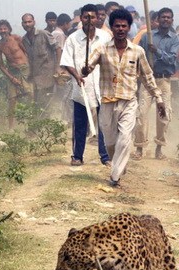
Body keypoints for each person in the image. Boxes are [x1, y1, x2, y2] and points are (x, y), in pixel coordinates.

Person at [85, 9, 165, 186]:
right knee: (111, 142)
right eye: (117, 26)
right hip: (107, 101)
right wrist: (85, 70)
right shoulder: (102, 49)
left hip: (128, 101)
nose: (120, 29)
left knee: (124, 139)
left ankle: (115, 177)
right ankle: (118, 164)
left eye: (124, 26)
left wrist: (158, 98)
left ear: (129, 28)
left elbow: (147, 76)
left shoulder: (137, 51)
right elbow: (89, 65)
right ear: (112, 28)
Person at [61, 4, 111, 167]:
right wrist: (77, 76)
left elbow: (112, 61)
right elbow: (67, 61)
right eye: (86, 17)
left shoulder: (105, 37)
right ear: (81, 19)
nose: (89, 20)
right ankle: (77, 156)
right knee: (80, 124)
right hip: (81, 88)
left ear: (98, 18)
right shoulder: (72, 39)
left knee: (104, 124)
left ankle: (105, 157)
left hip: (102, 87)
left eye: (92, 17)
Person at [133, 7, 179, 160]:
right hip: (148, 80)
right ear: (157, 19)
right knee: (141, 114)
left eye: (168, 17)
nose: (166, 19)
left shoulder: (175, 39)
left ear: (172, 20)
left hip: (164, 80)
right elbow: (138, 56)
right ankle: (139, 148)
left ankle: (159, 148)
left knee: (164, 115)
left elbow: (172, 59)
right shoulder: (147, 37)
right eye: (163, 17)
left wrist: (157, 51)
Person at [0, 19, 33, 128]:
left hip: (25, 69)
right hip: (12, 72)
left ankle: (32, 124)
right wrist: (12, 78)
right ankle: (11, 128)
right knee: (12, 100)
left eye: (4, 28)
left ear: (9, 29)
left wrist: (31, 69)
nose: (3, 31)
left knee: (31, 95)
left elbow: (27, 52)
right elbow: (1, 66)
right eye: (0, 29)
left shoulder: (16, 38)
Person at [21, 13, 57, 108]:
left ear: (34, 22)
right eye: (25, 22)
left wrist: (58, 69)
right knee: (37, 103)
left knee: (47, 103)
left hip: (48, 75)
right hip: (35, 78)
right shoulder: (24, 40)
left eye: (29, 21)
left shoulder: (44, 34)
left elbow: (58, 49)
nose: (27, 24)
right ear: (22, 24)